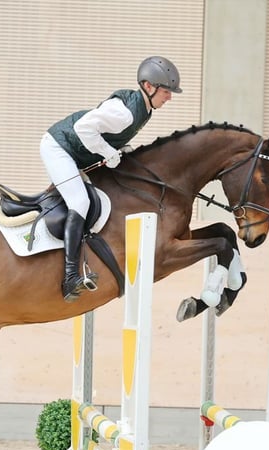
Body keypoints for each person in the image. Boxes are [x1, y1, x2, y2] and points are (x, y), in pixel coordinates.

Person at [41, 56, 182, 302]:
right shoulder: (125, 113)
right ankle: (70, 277)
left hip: (77, 153)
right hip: (59, 148)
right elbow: (83, 128)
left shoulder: (144, 108)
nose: (169, 97)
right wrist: (108, 152)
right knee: (80, 202)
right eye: (166, 91)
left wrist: (118, 150)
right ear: (148, 86)